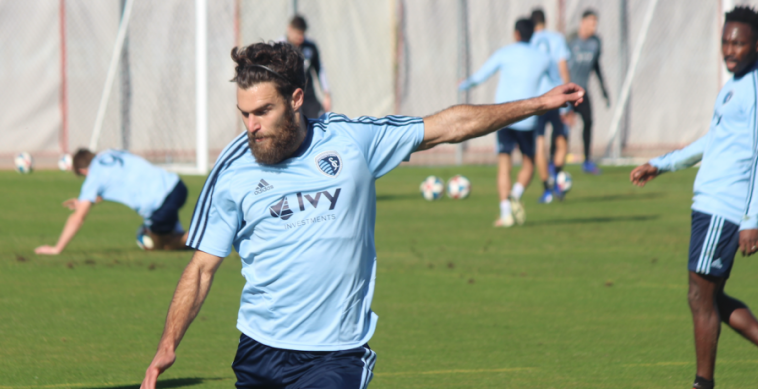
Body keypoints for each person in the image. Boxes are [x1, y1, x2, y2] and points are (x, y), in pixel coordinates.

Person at [138, 41, 583, 389]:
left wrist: (537, 104)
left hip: (335, 355)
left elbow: (449, 126)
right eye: (244, 114)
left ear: (296, 99)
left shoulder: (352, 141)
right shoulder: (233, 169)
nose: (251, 125)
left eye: (262, 112)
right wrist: (167, 346)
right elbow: (201, 269)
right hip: (259, 349)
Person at [630, 7, 758, 389]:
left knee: (700, 295)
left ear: (757, 45)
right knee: (707, 296)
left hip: (725, 208)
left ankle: (702, 384)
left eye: (739, 43)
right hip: (707, 204)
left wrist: (750, 220)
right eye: (726, 41)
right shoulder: (732, 87)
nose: (730, 49)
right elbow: (714, 141)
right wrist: (662, 164)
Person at [458, 19, 561, 227]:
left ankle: (505, 213)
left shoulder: (504, 53)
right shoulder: (543, 57)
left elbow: (481, 76)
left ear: (516, 34)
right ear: (533, 35)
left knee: (504, 164)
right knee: (529, 164)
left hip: (503, 117)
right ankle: (516, 193)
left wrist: (464, 84)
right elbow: (557, 83)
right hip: (528, 118)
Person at [35, 149, 189, 255]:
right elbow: (115, 182)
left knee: (162, 245)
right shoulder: (110, 153)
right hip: (176, 186)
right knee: (163, 228)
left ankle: (202, 238)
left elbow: (78, 218)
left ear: (82, 171)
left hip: (159, 205)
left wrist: (57, 248)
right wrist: (86, 201)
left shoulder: (94, 178)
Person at [530, 8, 571, 203]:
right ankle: (556, 176)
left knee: (539, 144)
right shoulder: (557, 39)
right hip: (556, 98)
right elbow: (563, 69)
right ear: (545, 21)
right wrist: (568, 101)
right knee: (562, 141)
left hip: (536, 100)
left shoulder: (528, 41)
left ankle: (547, 189)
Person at [568, 9, 611, 175]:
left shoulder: (595, 43)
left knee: (588, 122)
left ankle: (587, 161)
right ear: (582, 22)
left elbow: (596, 67)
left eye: (596, 23)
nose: (594, 26)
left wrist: (604, 90)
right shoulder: (571, 40)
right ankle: (553, 162)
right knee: (563, 126)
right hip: (568, 90)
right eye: (591, 22)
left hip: (583, 91)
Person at [283, 15, 331, 118]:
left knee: (319, 123)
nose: (301, 38)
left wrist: (327, 94)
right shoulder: (280, 48)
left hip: (308, 97)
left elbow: (319, 70)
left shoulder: (310, 47)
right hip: (289, 98)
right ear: (289, 29)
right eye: (298, 34)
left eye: (303, 34)